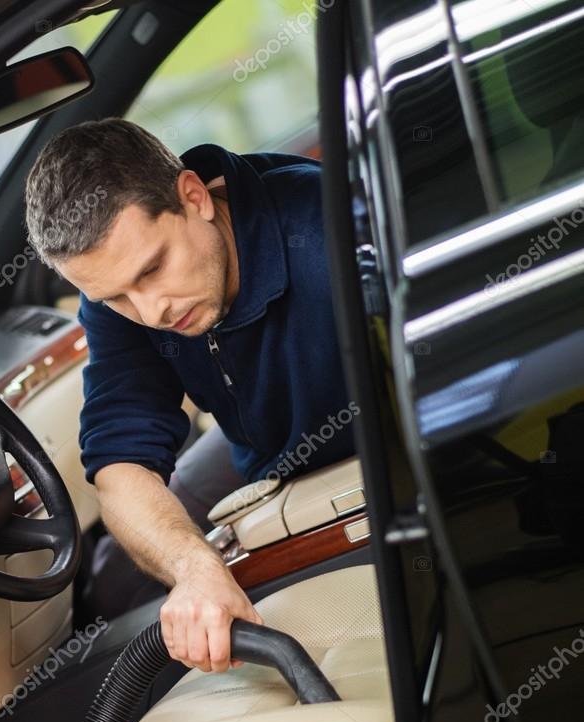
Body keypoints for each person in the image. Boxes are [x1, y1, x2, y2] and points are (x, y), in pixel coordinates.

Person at [24, 118, 358, 673]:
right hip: (257, 449)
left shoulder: (331, 230)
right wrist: (195, 569)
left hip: (353, 464)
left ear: (194, 196)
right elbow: (119, 463)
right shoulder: (122, 292)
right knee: (115, 582)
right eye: (114, 298)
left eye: (154, 269)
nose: (150, 311)